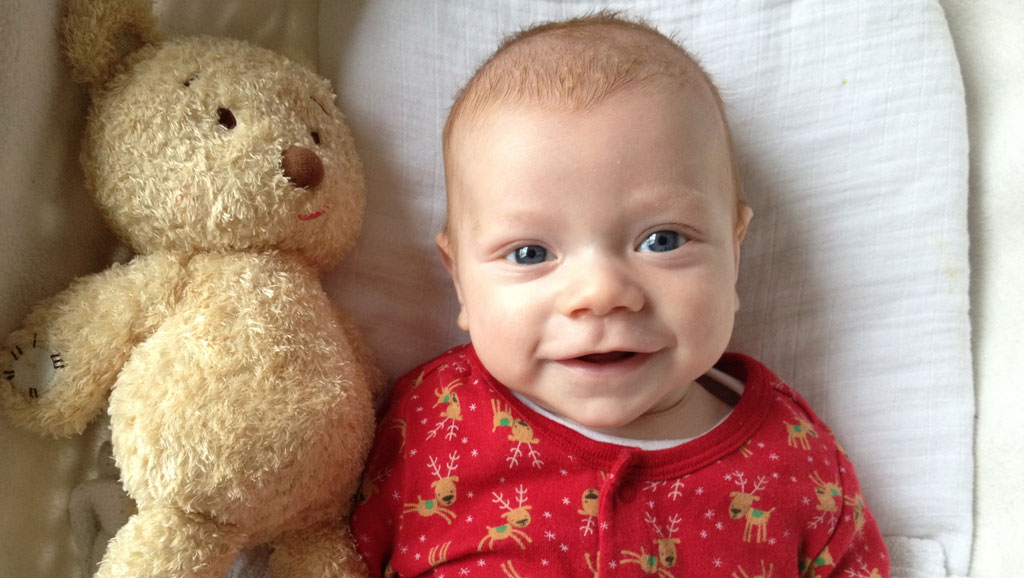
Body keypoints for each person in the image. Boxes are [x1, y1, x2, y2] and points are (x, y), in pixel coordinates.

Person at [352, 12, 890, 578]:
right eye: (530, 254)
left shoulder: (795, 459)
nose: (601, 294)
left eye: (662, 241)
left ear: (735, 253)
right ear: (460, 280)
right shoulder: (430, 423)